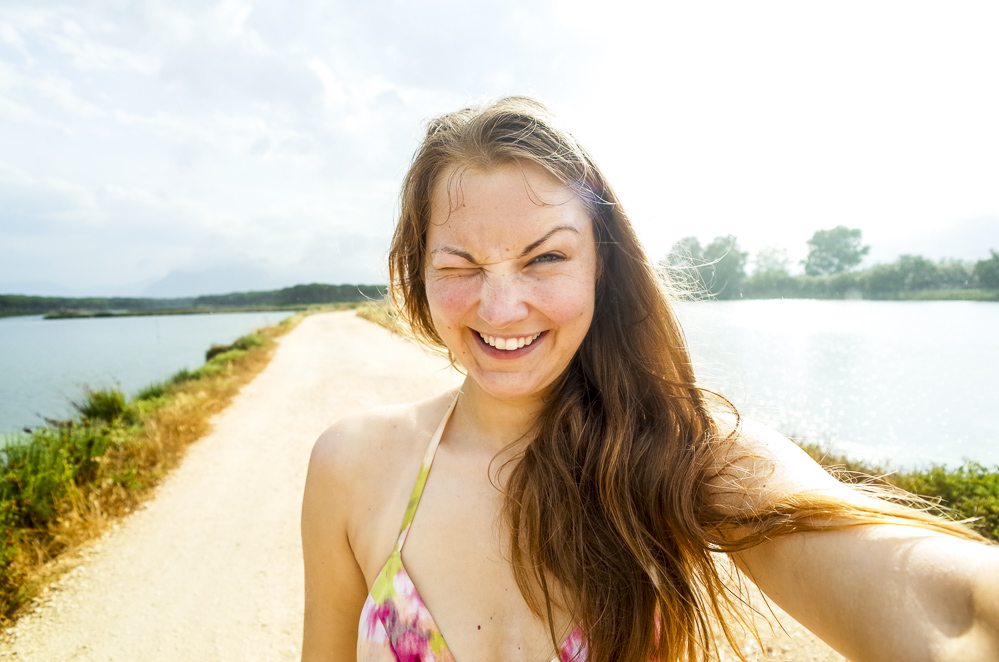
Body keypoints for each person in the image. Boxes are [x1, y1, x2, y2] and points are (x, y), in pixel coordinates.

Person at [301, 97, 999, 662]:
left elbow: (952, 611)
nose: (502, 306)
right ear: (417, 276)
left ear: (600, 266)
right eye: (460, 265)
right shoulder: (353, 465)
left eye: (544, 258)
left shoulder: (682, 453)